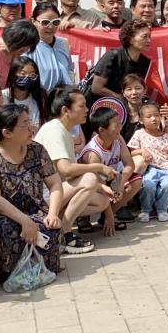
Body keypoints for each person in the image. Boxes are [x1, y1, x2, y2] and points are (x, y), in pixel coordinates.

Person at [0, 104, 63, 287]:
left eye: (30, 122)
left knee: (49, 228)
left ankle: (38, 269)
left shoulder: (37, 150)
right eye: (25, 124)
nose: (32, 128)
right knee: (3, 230)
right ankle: (1, 273)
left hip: (34, 210)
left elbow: (55, 184)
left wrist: (53, 213)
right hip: (2, 214)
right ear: (7, 132)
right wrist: (25, 221)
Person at [34, 88, 114, 255]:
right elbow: (66, 169)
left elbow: (69, 174)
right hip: (42, 195)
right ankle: (64, 234)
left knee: (102, 201)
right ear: (65, 110)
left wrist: (101, 187)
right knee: (90, 178)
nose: (87, 110)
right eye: (82, 106)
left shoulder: (63, 131)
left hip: (56, 191)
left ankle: (58, 229)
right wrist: (99, 167)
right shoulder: (54, 130)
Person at [79, 107, 140, 235]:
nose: (120, 127)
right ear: (102, 130)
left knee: (135, 181)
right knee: (97, 191)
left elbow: (129, 164)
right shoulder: (93, 153)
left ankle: (107, 215)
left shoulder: (118, 139)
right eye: (116, 125)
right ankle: (83, 217)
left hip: (109, 178)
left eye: (120, 123)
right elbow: (100, 185)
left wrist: (120, 183)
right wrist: (110, 217)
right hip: (90, 185)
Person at [127, 102, 168, 222]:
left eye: (156, 115)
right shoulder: (139, 134)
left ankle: (162, 210)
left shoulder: (166, 136)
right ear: (141, 120)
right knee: (148, 185)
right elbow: (132, 152)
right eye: (149, 116)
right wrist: (142, 151)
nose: (154, 119)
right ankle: (146, 210)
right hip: (150, 168)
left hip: (166, 168)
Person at [88, 20, 152, 106]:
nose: (149, 40)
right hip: (103, 107)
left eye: (149, 36)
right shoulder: (112, 56)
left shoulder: (146, 62)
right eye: (144, 36)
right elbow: (96, 88)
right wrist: (121, 99)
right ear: (131, 39)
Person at [29, 3, 75, 91]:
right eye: (45, 22)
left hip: (64, 96)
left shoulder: (63, 43)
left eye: (55, 22)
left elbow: (69, 71)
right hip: (41, 96)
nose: (50, 27)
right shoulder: (29, 47)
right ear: (34, 21)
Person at [0, 19, 39, 83]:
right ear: (14, 39)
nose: (26, 50)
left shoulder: (16, 54)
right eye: (24, 45)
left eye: (29, 46)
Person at [3, 56, 46, 134]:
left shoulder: (39, 98)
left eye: (32, 75)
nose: (27, 77)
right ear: (13, 74)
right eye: (23, 74)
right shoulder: (2, 96)